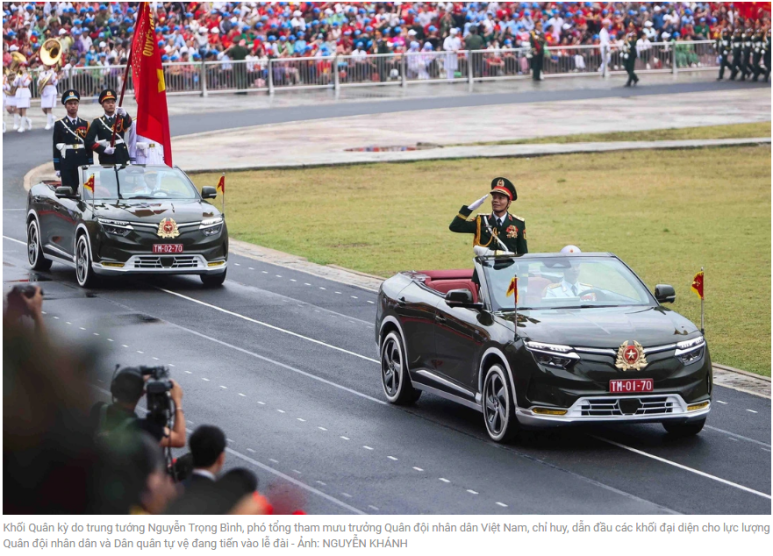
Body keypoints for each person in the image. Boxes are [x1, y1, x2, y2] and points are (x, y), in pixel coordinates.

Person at [449, 177, 528, 284]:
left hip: (508, 276)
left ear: (509, 202)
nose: (496, 201)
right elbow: (455, 226)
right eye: (494, 197)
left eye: (501, 198)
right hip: (484, 276)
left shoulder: (517, 223)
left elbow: (523, 254)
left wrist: (524, 281)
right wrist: (468, 210)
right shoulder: (481, 220)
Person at [93, 366, 187, 449]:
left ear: (113, 388)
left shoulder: (98, 409)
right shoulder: (141, 428)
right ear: (142, 393)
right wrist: (177, 401)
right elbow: (179, 439)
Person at [53, 89, 93, 190]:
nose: (73, 106)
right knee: (68, 190)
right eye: (70, 104)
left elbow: (89, 145)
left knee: (85, 190)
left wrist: (90, 162)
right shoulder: (59, 124)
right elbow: (56, 146)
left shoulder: (85, 124)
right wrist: (57, 167)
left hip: (82, 159)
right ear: (66, 106)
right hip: (67, 161)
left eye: (75, 103)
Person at [85, 88, 132, 165]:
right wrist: (103, 149)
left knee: (122, 176)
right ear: (102, 105)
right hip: (106, 156)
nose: (111, 104)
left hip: (121, 154)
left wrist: (125, 114)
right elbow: (89, 141)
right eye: (107, 102)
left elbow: (129, 123)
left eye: (113, 102)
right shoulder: (97, 122)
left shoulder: (120, 118)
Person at [38, 64, 59, 129]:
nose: (44, 66)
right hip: (44, 91)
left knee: (49, 108)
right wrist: (40, 81)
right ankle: (52, 117)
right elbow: (38, 82)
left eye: (45, 65)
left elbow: (55, 82)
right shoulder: (42, 73)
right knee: (44, 109)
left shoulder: (53, 73)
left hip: (51, 90)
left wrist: (52, 76)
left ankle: (48, 124)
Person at [13, 63, 33, 133]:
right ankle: (27, 120)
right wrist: (18, 76)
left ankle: (22, 126)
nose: (22, 68)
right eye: (21, 67)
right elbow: (14, 84)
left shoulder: (28, 75)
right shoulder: (17, 75)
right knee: (18, 110)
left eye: (23, 67)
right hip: (19, 92)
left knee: (23, 110)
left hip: (25, 92)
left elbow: (25, 83)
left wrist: (21, 76)